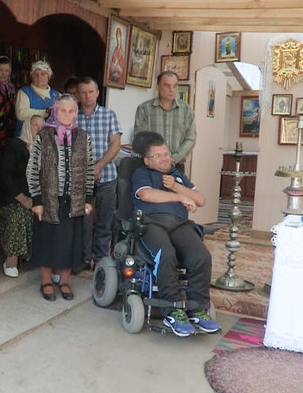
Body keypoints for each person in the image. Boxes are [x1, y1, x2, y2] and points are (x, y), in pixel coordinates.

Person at [131, 131, 220, 337]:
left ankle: (198, 308)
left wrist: (177, 186)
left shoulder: (177, 174)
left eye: (166, 154)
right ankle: (172, 311)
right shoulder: (141, 174)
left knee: (201, 256)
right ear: (147, 160)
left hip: (179, 225)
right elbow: (146, 194)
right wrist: (179, 198)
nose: (165, 159)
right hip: (151, 224)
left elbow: (200, 199)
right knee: (167, 254)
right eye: (158, 156)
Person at [27, 94, 94, 302]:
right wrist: (36, 200)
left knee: (70, 243)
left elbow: (89, 169)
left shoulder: (83, 137)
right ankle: (46, 281)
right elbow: (32, 169)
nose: (67, 114)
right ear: (56, 111)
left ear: (76, 113)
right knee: (47, 242)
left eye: (71, 110)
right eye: (63, 110)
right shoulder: (44, 136)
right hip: (48, 200)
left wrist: (88, 199)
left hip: (73, 201)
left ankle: (64, 281)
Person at [77, 77, 122, 270]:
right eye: (83, 92)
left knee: (105, 220)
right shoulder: (72, 116)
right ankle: (84, 259)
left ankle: (102, 260)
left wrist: (99, 166)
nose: (87, 96)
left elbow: (116, 144)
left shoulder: (108, 115)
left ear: (97, 93)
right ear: (78, 95)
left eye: (91, 91)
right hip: (80, 177)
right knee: (82, 220)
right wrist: (88, 169)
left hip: (107, 176)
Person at [0, 114, 44, 277]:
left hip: (35, 199)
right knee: (19, 214)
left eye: (41, 126)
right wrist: (22, 198)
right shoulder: (15, 146)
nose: (38, 129)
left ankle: (43, 261)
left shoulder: (43, 150)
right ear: (26, 127)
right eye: (35, 125)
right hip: (12, 198)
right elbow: (5, 175)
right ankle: (11, 261)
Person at [134, 71, 195, 171]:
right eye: (167, 86)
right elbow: (140, 137)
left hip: (176, 166)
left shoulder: (187, 111)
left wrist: (174, 158)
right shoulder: (144, 109)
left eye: (175, 86)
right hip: (151, 166)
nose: (171, 90)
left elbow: (190, 139)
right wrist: (158, 158)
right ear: (158, 87)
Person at [15, 60, 59, 137]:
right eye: (35, 74)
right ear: (31, 76)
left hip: (50, 139)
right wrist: (47, 112)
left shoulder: (57, 95)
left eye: (43, 74)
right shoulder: (24, 92)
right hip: (26, 139)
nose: (39, 77)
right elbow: (21, 114)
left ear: (49, 76)